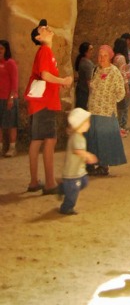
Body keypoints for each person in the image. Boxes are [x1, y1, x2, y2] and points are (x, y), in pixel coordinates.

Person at [25, 19, 73, 193]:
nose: (47, 28)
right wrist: (63, 81)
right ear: (38, 37)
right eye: (42, 29)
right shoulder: (45, 51)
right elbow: (45, 75)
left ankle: (34, 182)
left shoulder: (44, 51)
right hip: (44, 103)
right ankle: (50, 183)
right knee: (50, 140)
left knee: (37, 141)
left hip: (40, 103)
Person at [85, 44, 127, 176]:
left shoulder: (114, 72)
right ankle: (91, 163)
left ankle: (103, 166)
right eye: (100, 55)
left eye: (105, 56)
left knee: (103, 139)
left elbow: (121, 93)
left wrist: (109, 98)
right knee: (92, 137)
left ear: (110, 57)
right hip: (93, 110)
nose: (102, 58)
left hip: (106, 111)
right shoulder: (96, 70)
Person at [58, 108, 98, 215]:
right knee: (73, 191)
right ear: (80, 124)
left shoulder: (79, 136)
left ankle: (63, 188)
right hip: (72, 173)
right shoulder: (76, 137)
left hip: (79, 170)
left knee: (84, 182)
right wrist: (88, 156)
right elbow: (78, 150)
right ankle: (66, 207)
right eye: (87, 121)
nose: (89, 123)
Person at [0, 39, 19, 157]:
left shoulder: (10, 63)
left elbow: (15, 81)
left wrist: (11, 97)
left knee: (11, 123)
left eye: (1, 49)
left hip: (9, 98)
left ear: (6, 50)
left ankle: (12, 148)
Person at [112, 37, 130, 136]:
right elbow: (123, 73)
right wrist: (126, 88)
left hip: (115, 85)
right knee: (121, 108)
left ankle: (118, 127)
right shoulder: (122, 58)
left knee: (118, 107)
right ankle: (119, 128)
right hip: (120, 86)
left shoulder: (114, 57)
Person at [120, 31, 130, 131]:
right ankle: (122, 124)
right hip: (126, 81)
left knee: (127, 104)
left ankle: (124, 123)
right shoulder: (123, 52)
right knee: (124, 104)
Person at [74, 42, 94, 110]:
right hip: (84, 92)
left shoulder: (82, 60)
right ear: (86, 52)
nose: (92, 51)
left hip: (81, 90)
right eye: (90, 49)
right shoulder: (87, 64)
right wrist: (92, 94)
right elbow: (89, 80)